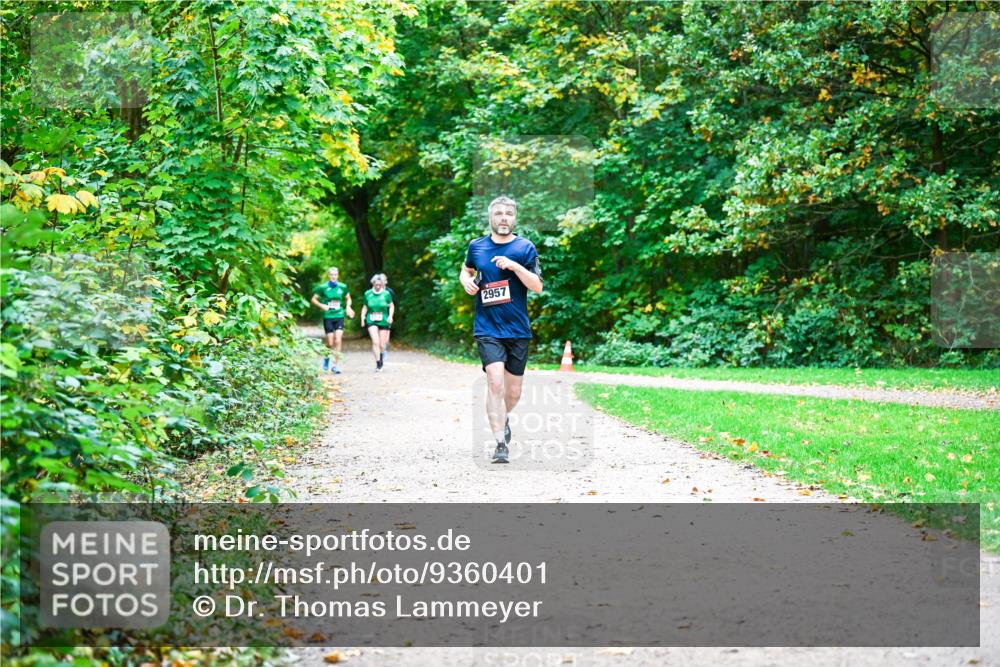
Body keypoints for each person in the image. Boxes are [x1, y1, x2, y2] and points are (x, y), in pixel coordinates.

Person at [459, 195, 543, 464]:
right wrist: (466, 281)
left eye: (508, 213)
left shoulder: (525, 247)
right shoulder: (477, 246)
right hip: (487, 327)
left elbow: (537, 286)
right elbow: (466, 270)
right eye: (498, 213)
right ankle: (499, 444)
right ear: (490, 217)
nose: (503, 218)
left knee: (513, 392)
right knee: (494, 381)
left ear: (515, 218)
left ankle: (504, 418)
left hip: (517, 329)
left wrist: (515, 266)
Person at [310, 267, 354, 373]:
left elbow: (348, 298)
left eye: (335, 274)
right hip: (328, 316)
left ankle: (335, 366)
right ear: (328, 275)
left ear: (338, 275)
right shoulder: (323, 287)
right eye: (331, 275)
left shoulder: (343, 287)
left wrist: (348, 307)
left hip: (339, 315)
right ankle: (326, 358)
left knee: (338, 340)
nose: (333, 276)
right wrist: (322, 306)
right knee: (330, 342)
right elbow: (313, 299)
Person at [361, 274, 394, 372]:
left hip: (383, 320)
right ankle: (378, 363)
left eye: (380, 285)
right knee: (375, 341)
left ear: (382, 284)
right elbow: (365, 307)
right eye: (376, 285)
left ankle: (382, 355)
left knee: (382, 345)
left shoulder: (386, 294)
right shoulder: (367, 294)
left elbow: (391, 306)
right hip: (371, 320)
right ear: (373, 284)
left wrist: (390, 316)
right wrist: (362, 318)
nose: (378, 286)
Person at [379, 273, 396, 359]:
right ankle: (380, 351)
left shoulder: (389, 292)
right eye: (380, 280)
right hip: (376, 317)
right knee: (378, 336)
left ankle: (384, 350)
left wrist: (391, 315)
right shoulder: (374, 291)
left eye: (383, 280)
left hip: (386, 316)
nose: (381, 282)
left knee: (386, 338)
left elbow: (394, 304)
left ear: (386, 281)